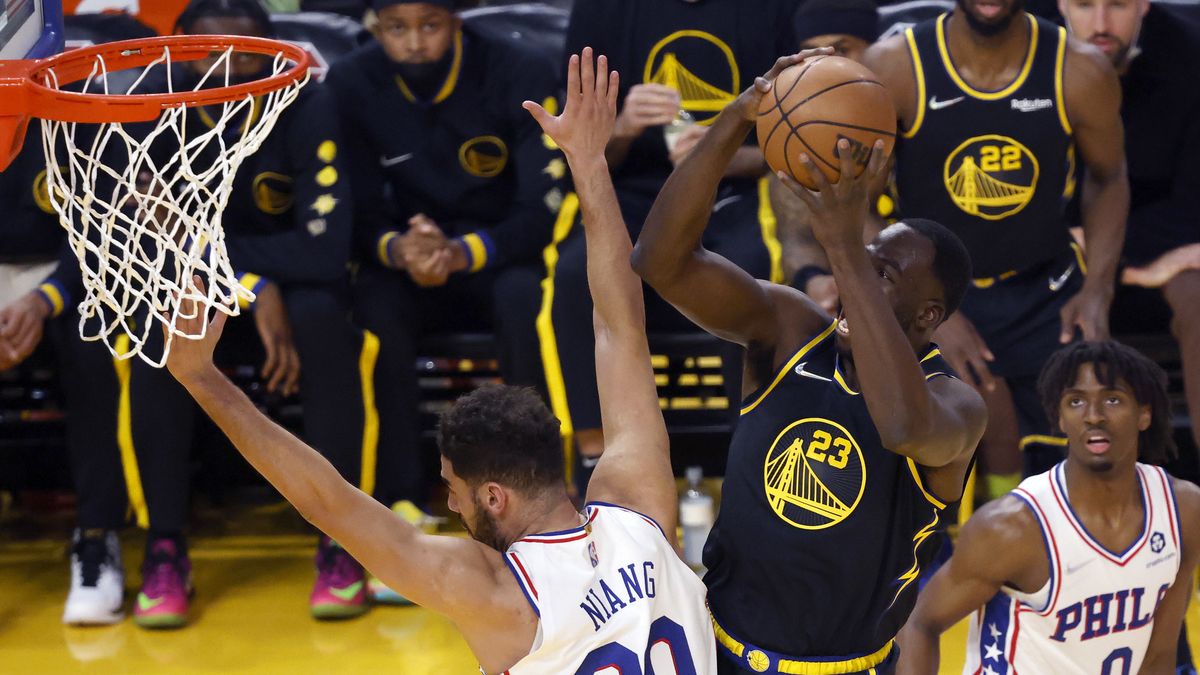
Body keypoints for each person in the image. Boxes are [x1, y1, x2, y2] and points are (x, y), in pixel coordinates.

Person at [161, 47, 717, 675]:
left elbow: (329, 502)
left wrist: (201, 380)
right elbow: (621, 325)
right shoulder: (640, 507)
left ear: (495, 496)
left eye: (455, 491)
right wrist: (588, 163)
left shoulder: (498, 594)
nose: (453, 508)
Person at [632, 51, 988, 674]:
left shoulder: (955, 405)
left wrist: (846, 244)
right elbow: (659, 261)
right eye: (863, 264)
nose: (857, 282)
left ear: (928, 317)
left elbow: (901, 427)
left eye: (883, 275)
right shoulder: (791, 328)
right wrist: (738, 118)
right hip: (719, 652)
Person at [124, 0, 378, 627]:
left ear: (271, 49)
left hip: (297, 288)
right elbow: (141, 244)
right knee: (160, 331)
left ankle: (344, 542)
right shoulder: (143, 109)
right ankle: (164, 548)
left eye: (244, 52)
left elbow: (323, 250)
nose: (226, 67)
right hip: (198, 286)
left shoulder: (307, 101)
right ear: (179, 46)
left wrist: (242, 274)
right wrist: (253, 283)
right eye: (209, 51)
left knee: (323, 314)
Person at [864, 0, 1130, 488]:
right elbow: (859, 206)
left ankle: (1054, 545)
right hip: (933, 293)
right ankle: (959, 548)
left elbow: (1109, 177)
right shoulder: (895, 66)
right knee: (943, 433)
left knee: (1093, 415)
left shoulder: (1079, 69)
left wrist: (1097, 290)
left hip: (1044, 286)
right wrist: (927, 310)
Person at [325, 0, 564, 541]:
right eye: (396, 29)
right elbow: (349, 208)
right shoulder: (349, 82)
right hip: (404, 261)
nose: (414, 42)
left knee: (527, 300)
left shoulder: (519, 70)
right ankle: (398, 497)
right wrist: (399, 249)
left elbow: (544, 206)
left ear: (456, 22)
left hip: (496, 254)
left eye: (429, 26)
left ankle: (536, 494)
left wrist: (463, 251)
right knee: (373, 311)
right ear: (374, 28)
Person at [543, 0, 800, 493]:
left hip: (734, 191)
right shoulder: (601, 13)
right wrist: (619, 128)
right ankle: (595, 465)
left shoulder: (773, 10)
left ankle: (753, 463)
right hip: (632, 188)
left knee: (754, 272)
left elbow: (792, 144)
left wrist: (720, 151)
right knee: (574, 274)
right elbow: (577, 150)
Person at [897, 340, 1200, 674]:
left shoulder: (1183, 510)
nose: (1094, 416)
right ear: (1060, 417)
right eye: (1076, 401)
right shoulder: (1013, 527)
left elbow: (1159, 655)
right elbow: (919, 624)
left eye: (1112, 399)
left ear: (1144, 414)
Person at [1059, 0, 1200, 454]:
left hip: (1166, 255)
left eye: (1117, 4)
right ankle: (1050, 496)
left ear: (1143, 3)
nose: (1100, 24)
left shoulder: (1190, 55)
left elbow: (1191, 206)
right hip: (1064, 252)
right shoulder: (1025, 53)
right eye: (1084, 5)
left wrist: (1109, 259)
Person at [0, 127, 128, 627]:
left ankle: (97, 538)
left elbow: (105, 230)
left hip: (64, 270)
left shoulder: (77, 107)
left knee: (95, 342)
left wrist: (45, 298)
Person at [773, 0, 884, 316]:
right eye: (812, 52)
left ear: (877, 50)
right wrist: (814, 279)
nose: (825, 65)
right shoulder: (801, 131)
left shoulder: (914, 111)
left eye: (841, 49)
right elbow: (796, 235)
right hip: (863, 286)